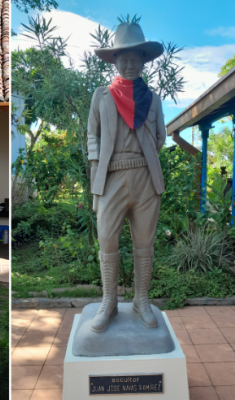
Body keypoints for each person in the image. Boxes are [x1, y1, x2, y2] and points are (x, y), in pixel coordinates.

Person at [87, 21, 167, 332]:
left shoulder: (153, 98)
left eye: (136, 57)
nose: (130, 63)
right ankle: (109, 302)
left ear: (143, 60)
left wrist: (142, 157)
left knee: (144, 242)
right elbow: (92, 136)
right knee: (107, 239)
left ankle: (141, 300)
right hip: (111, 178)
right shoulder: (102, 97)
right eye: (124, 58)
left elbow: (160, 135)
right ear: (115, 60)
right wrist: (98, 170)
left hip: (146, 178)